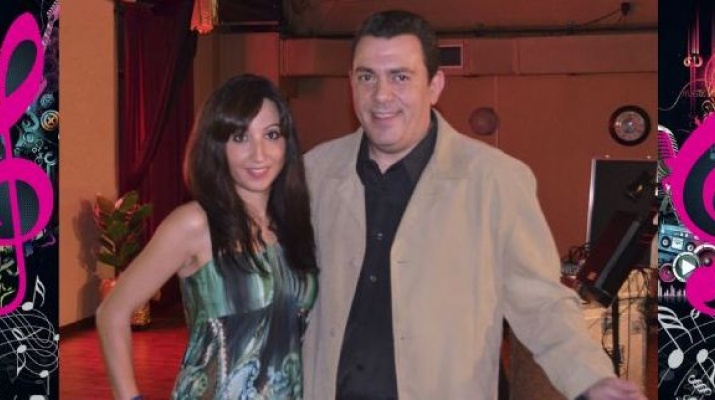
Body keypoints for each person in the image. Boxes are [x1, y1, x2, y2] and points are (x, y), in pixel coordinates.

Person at [301, 9, 646, 400]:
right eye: (367, 77)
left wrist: (591, 378)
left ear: (435, 86)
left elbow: (541, 302)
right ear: (351, 82)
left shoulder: (495, 180)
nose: (381, 95)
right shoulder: (315, 172)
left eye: (400, 77)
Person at [96, 74, 318, 400]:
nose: (259, 154)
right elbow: (111, 313)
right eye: (240, 137)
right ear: (217, 146)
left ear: (287, 143)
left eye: (271, 134)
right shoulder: (195, 224)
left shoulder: (296, 225)